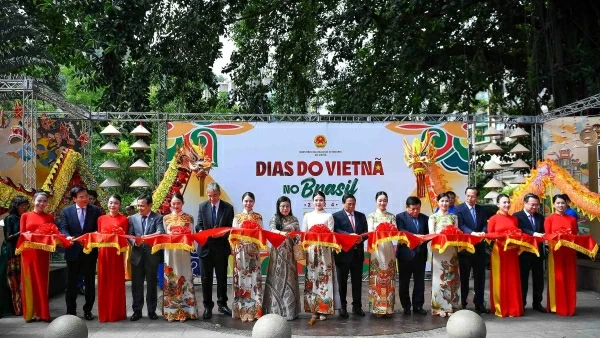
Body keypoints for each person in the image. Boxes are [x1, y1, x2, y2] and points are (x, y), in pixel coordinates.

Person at [60, 186, 102, 320]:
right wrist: (67, 236)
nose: (85, 199)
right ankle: (71, 311)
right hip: (73, 250)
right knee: (71, 283)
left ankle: (88, 310)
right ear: (74, 199)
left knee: (89, 282)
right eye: (81, 197)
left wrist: (95, 235)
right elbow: (63, 228)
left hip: (89, 251)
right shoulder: (67, 211)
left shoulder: (95, 210)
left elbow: (98, 228)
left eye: (87, 197)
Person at [195, 182, 234, 319]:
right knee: (206, 279)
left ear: (219, 194)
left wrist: (223, 234)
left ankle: (222, 304)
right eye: (210, 196)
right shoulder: (202, 207)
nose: (212, 198)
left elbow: (230, 228)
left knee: (222, 278)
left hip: (221, 249)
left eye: (215, 195)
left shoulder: (228, 208)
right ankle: (207, 306)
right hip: (205, 249)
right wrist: (200, 231)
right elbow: (198, 225)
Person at [302, 191, 340, 325]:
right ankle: (314, 309)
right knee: (312, 280)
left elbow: (331, 235)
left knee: (325, 280)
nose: (318, 202)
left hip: (325, 252)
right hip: (312, 252)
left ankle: (324, 309)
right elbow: (304, 234)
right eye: (316, 200)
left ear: (325, 202)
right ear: (313, 201)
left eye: (321, 200)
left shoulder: (329, 216)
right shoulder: (308, 216)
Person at [263, 196, 301, 320]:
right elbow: (272, 230)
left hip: (290, 255)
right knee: (276, 279)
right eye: (282, 206)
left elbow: (298, 234)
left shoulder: (294, 219)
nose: (285, 208)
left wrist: (298, 238)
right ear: (278, 207)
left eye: (287, 206)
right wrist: (282, 233)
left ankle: (290, 312)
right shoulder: (275, 218)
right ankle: (274, 310)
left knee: (290, 280)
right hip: (277, 254)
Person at [128, 195, 165, 321]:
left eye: (142, 205)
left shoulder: (158, 218)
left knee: (151, 285)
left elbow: (160, 232)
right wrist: (134, 242)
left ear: (150, 205)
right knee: (136, 285)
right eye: (138, 205)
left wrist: (146, 237)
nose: (139, 208)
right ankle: (137, 311)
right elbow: (130, 235)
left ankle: (151, 310)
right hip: (137, 256)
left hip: (152, 256)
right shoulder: (133, 218)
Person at [162, 193, 197, 322]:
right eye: (173, 203)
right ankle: (171, 312)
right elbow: (165, 235)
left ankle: (187, 311)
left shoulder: (189, 218)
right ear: (170, 204)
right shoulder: (165, 218)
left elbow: (191, 236)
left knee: (184, 277)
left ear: (183, 203)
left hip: (183, 252)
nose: (176, 206)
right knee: (171, 278)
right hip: (170, 252)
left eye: (178, 203)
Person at [454, 187, 489, 314]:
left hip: (479, 248)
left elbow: (485, 224)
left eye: (472, 196)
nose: (470, 198)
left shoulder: (481, 209)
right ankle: (462, 302)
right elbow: (461, 225)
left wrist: (484, 231)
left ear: (477, 197)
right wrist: (473, 233)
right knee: (464, 277)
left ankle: (479, 303)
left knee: (480, 277)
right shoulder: (459, 209)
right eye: (468, 195)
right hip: (465, 248)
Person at [487, 194, 523, 317]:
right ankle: (500, 307)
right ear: (498, 204)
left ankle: (513, 308)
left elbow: (518, 233)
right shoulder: (493, 219)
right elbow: (489, 236)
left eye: (508, 202)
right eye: (504, 202)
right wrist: (501, 236)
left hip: (512, 252)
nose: (507, 205)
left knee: (512, 279)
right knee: (500, 279)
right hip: (499, 251)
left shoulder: (514, 219)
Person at [20, 192, 54, 322]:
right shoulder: (25, 216)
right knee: (29, 282)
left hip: (43, 253)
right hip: (28, 253)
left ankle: (43, 313)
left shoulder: (49, 217)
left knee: (42, 282)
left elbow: (52, 235)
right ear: (33, 201)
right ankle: (30, 313)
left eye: (45, 201)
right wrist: (28, 235)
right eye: (39, 200)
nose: (42, 203)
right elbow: (22, 234)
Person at [333, 193, 367, 318]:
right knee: (342, 283)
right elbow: (336, 231)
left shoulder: (361, 216)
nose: (351, 206)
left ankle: (357, 306)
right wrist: (349, 236)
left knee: (357, 282)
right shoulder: (336, 216)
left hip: (357, 254)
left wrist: (360, 238)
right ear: (343, 204)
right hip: (342, 255)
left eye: (353, 203)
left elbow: (365, 233)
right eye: (349, 204)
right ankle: (342, 307)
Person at [544, 194, 579, 316]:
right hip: (555, 253)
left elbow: (575, 235)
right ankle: (556, 306)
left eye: (562, 203)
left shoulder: (572, 220)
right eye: (558, 203)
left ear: (566, 204)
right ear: (554, 204)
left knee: (570, 278)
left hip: (569, 253)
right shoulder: (549, 219)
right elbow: (547, 237)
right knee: (557, 278)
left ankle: (570, 305)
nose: (560, 205)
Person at [231, 192, 264, 321]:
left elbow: (261, 235)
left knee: (254, 280)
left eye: (250, 201)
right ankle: (241, 311)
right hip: (240, 253)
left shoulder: (258, 217)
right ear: (242, 202)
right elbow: (233, 237)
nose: (248, 203)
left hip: (254, 253)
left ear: (254, 202)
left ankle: (255, 311)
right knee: (241, 279)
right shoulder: (237, 217)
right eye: (246, 201)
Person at [96, 195, 129, 322]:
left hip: (116, 254)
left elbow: (124, 238)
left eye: (115, 203)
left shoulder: (124, 219)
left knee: (116, 283)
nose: (112, 205)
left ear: (119, 205)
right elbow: (99, 237)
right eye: (110, 203)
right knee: (104, 282)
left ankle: (117, 313)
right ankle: (104, 314)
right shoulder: (101, 219)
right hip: (103, 254)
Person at [396, 196, 429, 316]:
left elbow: (428, 235)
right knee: (404, 282)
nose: (415, 211)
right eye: (413, 209)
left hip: (420, 254)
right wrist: (415, 237)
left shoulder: (425, 218)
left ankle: (418, 305)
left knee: (419, 282)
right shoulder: (400, 217)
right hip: (406, 255)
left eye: (418, 208)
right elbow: (401, 231)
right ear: (407, 208)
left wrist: (423, 239)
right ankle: (406, 306)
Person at [429, 192, 461, 317]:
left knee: (452, 277)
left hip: (452, 250)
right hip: (439, 250)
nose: (444, 203)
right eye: (442, 201)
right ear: (438, 202)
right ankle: (439, 307)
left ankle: (451, 305)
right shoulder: (433, 217)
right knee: (439, 277)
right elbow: (432, 234)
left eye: (447, 201)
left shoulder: (454, 217)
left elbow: (457, 234)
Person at [513, 193, 546, 313]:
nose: (535, 207)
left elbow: (543, 231)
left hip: (537, 252)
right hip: (523, 253)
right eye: (532, 205)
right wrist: (533, 234)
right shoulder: (516, 217)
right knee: (523, 279)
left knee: (539, 279)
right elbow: (520, 230)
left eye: (537, 205)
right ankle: (522, 303)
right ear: (525, 203)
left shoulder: (540, 217)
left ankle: (537, 303)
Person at [366, 191, 397, 317]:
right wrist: (381, 230)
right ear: (376, 201)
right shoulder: (371, 216)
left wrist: (388, 230)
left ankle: (388, 308)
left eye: (384, 200)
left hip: (388, 248)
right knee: (377, 276)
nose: (382, 203)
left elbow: (395, 231)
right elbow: (370, 231)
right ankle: (377, 308)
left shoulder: (391, 216)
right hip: (377, 248)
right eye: (380, 200)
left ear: (387, 202)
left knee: (389, 276)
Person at [0, 196, 28, 317]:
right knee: (13, 280)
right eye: (22, 205)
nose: (25, 207)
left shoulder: (26, 217)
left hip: (23, 250)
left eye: (26, 205)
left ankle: (24, 306)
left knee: (23, 279)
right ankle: (15, 308)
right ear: (16, 206)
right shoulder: (9, 219)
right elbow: (8, 237)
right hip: (11, 251)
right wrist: (21, 232)